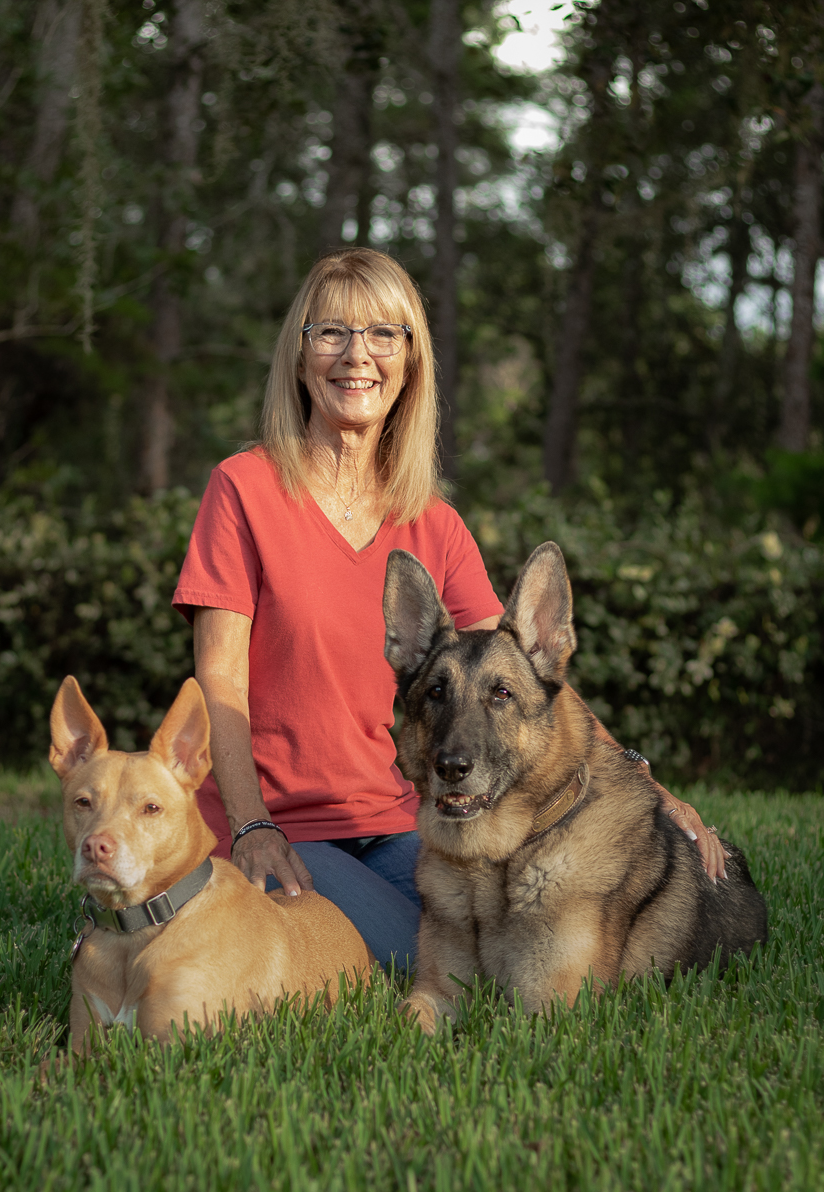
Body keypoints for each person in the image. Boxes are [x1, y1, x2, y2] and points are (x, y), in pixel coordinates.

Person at [172, 247, 726, 970]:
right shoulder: (242, 489)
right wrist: (251, 827)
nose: (356, 355)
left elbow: (526, 674)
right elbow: (220, 681)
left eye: (383, 334)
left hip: (407, 822)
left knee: (510, 938)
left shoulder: (431, 522)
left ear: (410, 361)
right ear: (299, 355)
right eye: (330, 332)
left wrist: (650, 787)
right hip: (280, 825)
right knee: (427, 960)